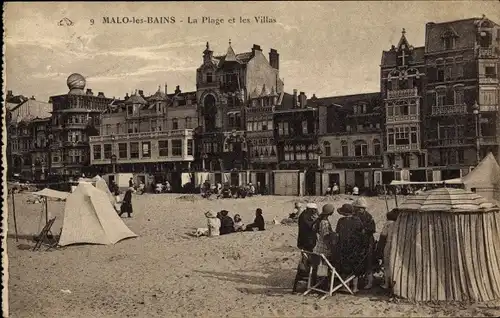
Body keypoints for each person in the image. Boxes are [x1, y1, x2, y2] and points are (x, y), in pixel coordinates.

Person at [335, 203, 366, 293]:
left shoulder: (341, 221)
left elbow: (337, 234)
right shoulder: (357, 220)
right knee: (355, 268)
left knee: (345, 267)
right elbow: (362, 233)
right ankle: (355, 287)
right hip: (355, 247)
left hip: (343, 247)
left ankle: (346, 285)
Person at [353, 197, 376, 289]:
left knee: (367, 261)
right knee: (364, 261)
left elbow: (372, 229)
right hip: (363, 241)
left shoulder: (365, 217)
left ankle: (369, 282)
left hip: (366, 241)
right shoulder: (367, 216)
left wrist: (363, 231)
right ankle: (366, 281)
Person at [376, 208, 400, 289]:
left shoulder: (388, 224)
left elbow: (383, 236)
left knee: (387, 265)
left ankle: (386, 284)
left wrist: (379, 248)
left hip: (389, 244)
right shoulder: (400, 223)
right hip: (398, 246)